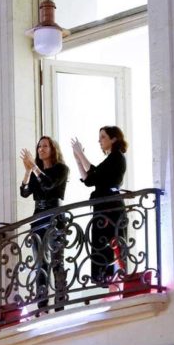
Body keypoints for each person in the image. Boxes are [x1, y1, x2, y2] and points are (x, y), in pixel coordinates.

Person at [71, 126, 128, 285]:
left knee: (112, 245)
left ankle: (115, 284)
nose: (99, 140)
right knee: (101, 246)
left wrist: (81, 154)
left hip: (111, 209)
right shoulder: (109, 159)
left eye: (103, 137)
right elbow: (89, 180)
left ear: (114, 139)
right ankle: (108, 282)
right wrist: (77, 159)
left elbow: (96, 174)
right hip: (102, 209)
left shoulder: (117, 157)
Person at [19, 136, 69, 312]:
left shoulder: (61, 169)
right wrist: (27, 171)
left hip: (55, 216)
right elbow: (24, 192)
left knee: (57, 260)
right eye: (39, 146)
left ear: (52, 149)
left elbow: (48, 184)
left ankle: (60, 302)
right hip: (38, 217)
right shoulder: (35, 172)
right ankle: (42, 304)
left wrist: (34, 168)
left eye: (45, 146)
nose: (41, 149)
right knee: (40, 262)